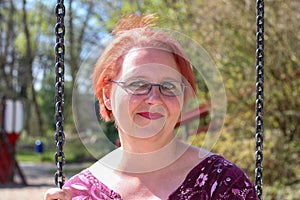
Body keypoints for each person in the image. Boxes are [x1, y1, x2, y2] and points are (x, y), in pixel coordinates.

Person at [44, 14, 258, 200]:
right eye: (137, 84)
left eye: (168, 86)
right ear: (108, 94)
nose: (154, 98)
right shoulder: (80, 193)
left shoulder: (223, 184)